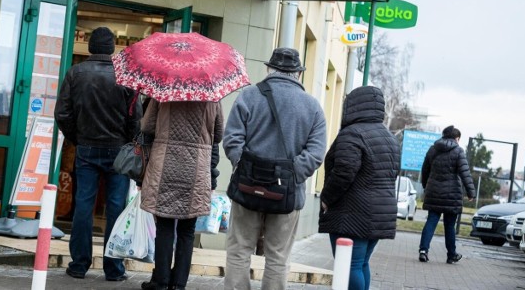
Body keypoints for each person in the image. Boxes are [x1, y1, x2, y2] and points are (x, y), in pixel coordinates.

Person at [223, 47, 327, 290]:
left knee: (239, 251)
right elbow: (315, 153)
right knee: (278, 258)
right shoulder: (313, 107)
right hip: (287, 195)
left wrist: (245, 167)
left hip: (247, 188)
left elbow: (232, 140)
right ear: (298, 74)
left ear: (270, 69)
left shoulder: (249, 96)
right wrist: (291, 175)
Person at [54, 26, 142, 281]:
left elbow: (63, 114)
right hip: (118, 150)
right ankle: (113, 269)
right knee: (116, 207)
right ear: (112, 48)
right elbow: (135, 119)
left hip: (87, 148)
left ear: (91, 47)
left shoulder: (75, 73)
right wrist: (128, 143)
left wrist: (76, 138)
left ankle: (79, 264)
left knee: (83, 205)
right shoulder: (126, 76)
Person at [319, 85, 400, 290]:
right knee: (361, 263)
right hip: (381, 212)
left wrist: (327, 198)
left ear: (353, 106)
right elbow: (393, 173)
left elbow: (344, 172)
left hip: (353, 213)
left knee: (349, 265)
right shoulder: (389, 138)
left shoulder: (352, 134)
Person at [140, 99, 224, 290]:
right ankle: (178, 284)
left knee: (164, 226)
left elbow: (147, 126)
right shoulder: (212, 96)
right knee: (187, 230)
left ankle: (160, 281)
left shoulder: (164, 89)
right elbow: (218, 134)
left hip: (165, 165)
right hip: (196, 168)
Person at [418, 125, 475, 264]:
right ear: (456, 138)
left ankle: (423, 251)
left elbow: (425, 170)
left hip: (434, 192)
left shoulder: (433, 149)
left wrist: (426, 186)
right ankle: (451, 255)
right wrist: (470, 192)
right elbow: (465, 173)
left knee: (431, 221)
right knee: (450, 226)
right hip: (452, 194)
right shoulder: (458, 151)